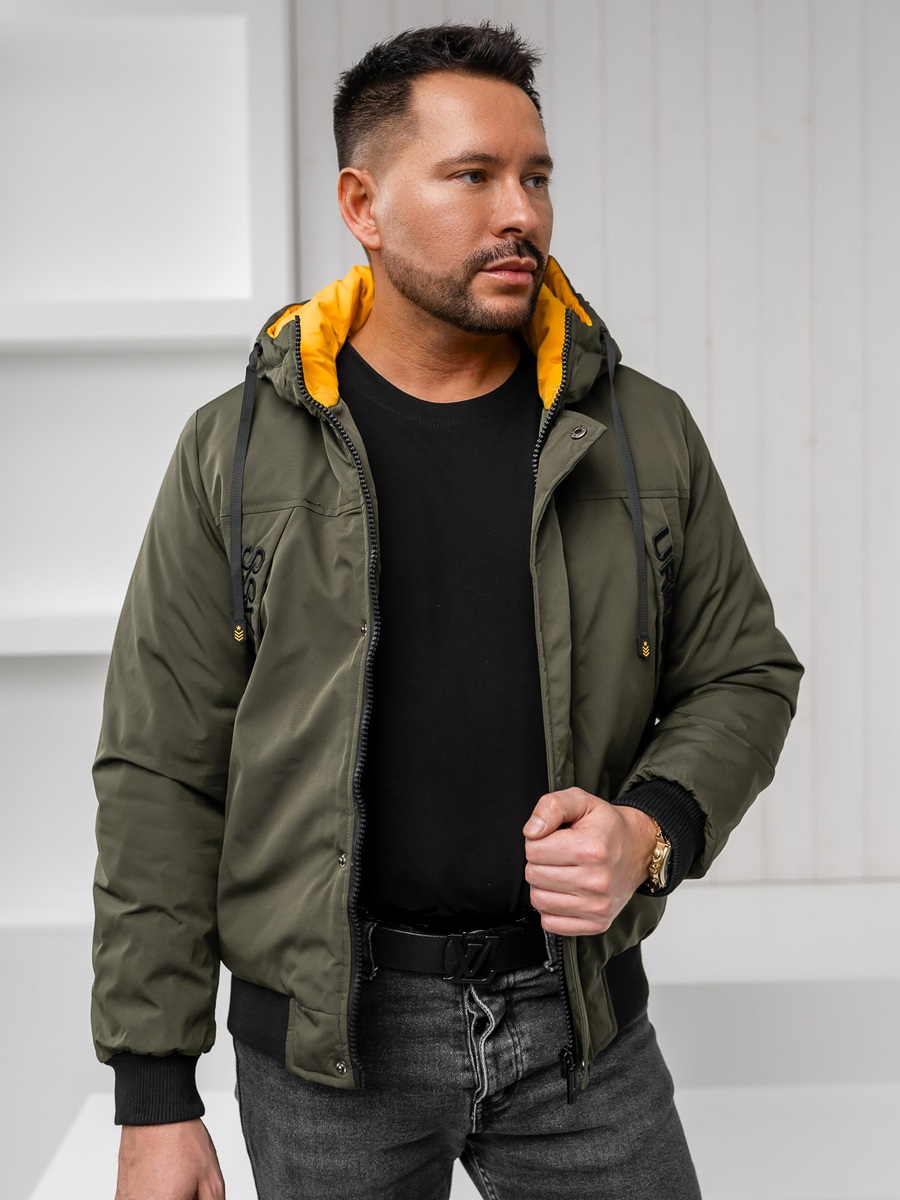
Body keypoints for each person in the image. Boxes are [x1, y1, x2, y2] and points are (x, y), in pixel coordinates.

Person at [92, 22, 802, 1200]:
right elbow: (161, 770)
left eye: (536, 176)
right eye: (472, 176)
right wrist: (153, 1094)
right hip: (328, 1054)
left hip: (579, 1030)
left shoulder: (641, 432)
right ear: (362, 205)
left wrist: (651, 827)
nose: (520, 212)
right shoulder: (236, 449)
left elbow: (744, 672)